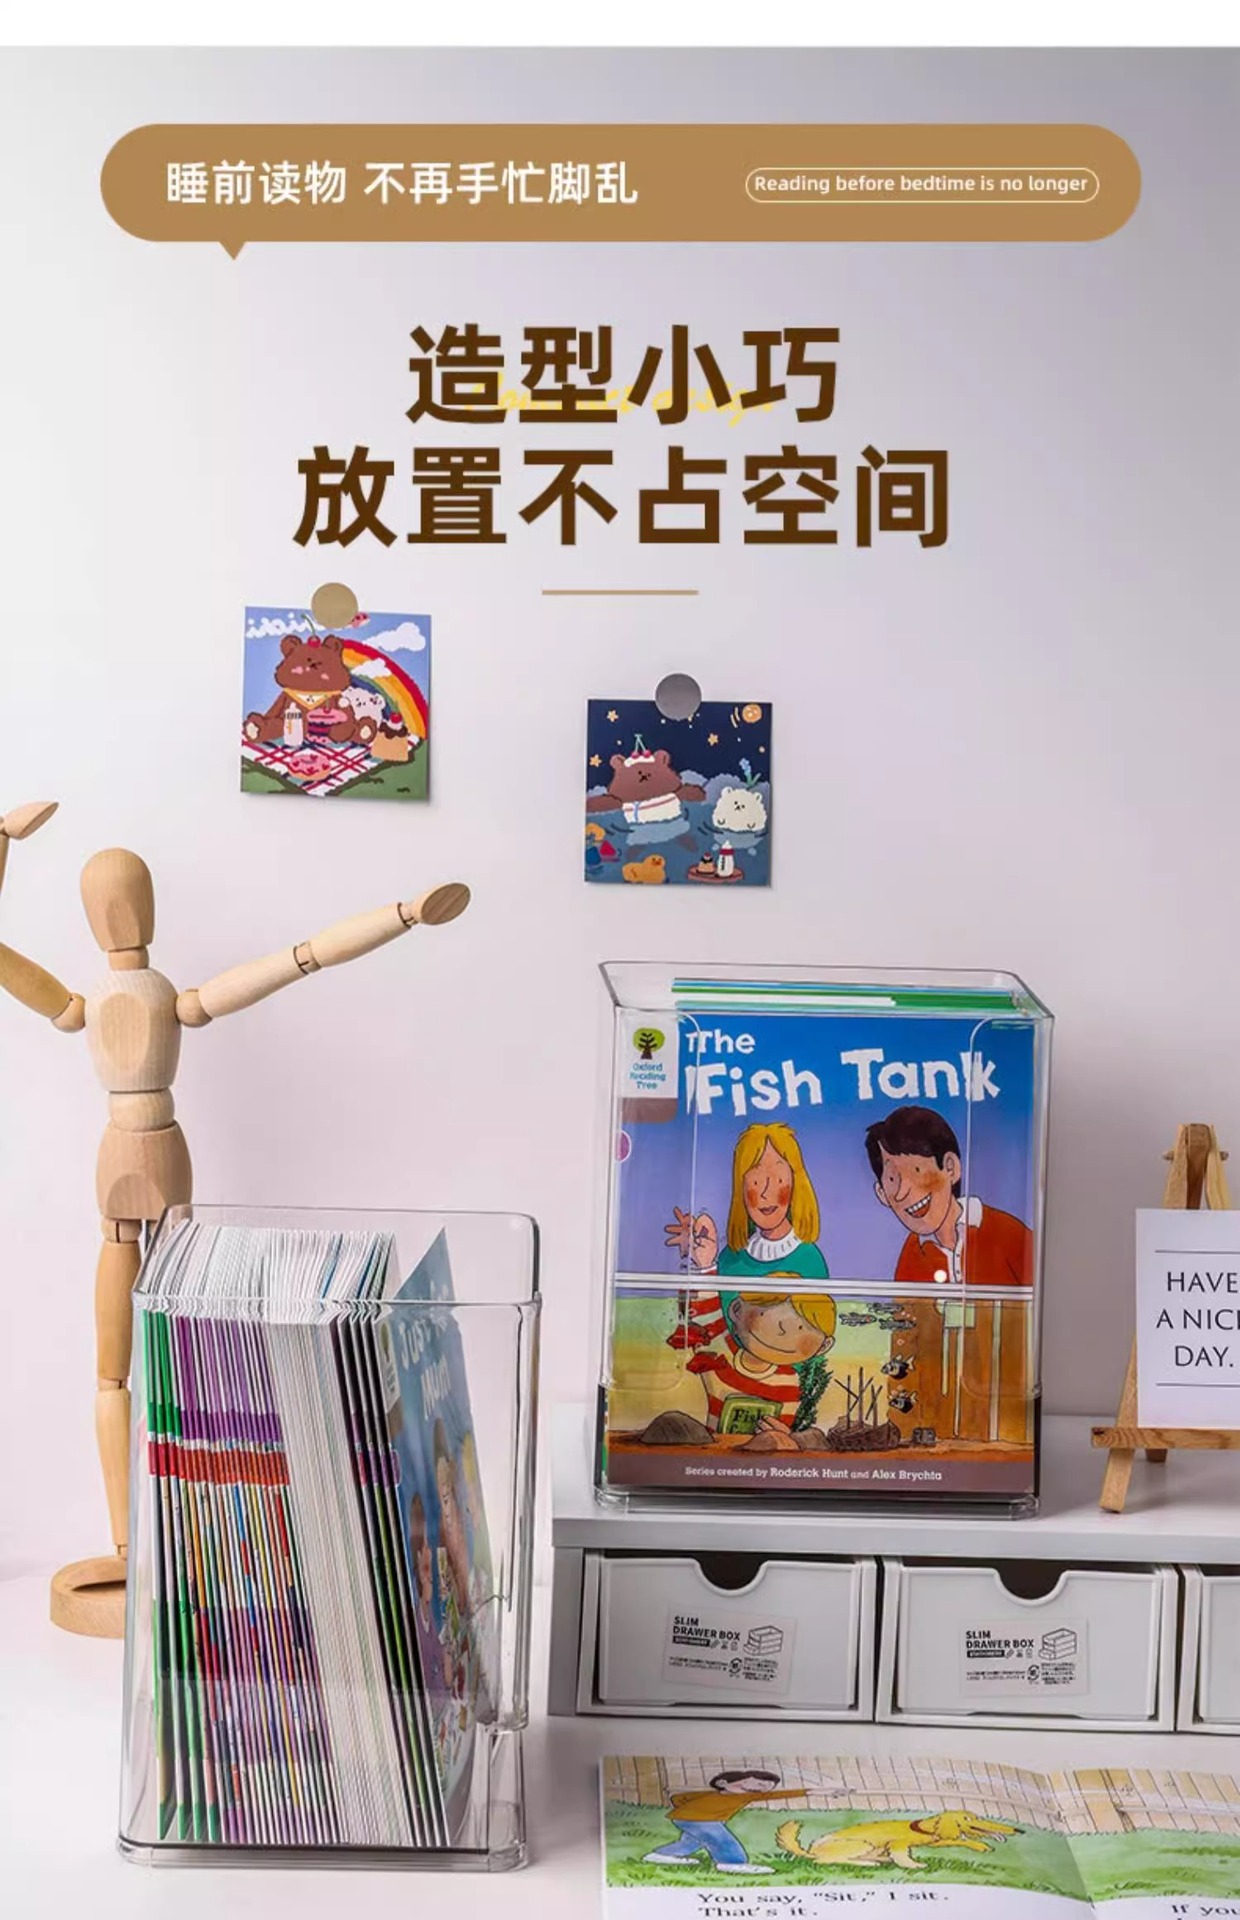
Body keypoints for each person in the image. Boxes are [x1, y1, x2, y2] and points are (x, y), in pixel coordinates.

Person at [864, 1105, 1032, 1287]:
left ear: (951, 1168)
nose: (903, 1192)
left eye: (917, 1171)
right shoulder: (912, 1252)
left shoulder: (1009, 1233)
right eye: (892, 1179)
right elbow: (906, 1304)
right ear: (882, 1194)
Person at [667, 1283, 836, 1447]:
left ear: (823, 1346)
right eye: (764, 1314)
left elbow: (781, 1429)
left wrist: (783, 1436)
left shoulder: (790, 1382)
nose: (781, 1330)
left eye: (801, 1327)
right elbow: (702, 1304)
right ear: (736, 1310)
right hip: (714, 1450)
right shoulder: (720, 1351)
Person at [665, 1121, 828, 1281]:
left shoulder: (809, 1260)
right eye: (756, 1183)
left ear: (795, 1186)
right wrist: (705, 1265)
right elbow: (712, 1299)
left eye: (778, 1181)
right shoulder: (730, 1259)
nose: (765, 1193)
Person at [642, 1767, 808, 1874]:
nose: (760, 1790)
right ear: (722, 1783)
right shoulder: (720, 1795)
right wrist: (692, 1811)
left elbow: (679, 1798)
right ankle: (732, 1863)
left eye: (766, 1788)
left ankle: (661, 1855)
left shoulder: (741, 1797)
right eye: (758, 1784)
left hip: (686, 1818)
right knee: (723, 1840)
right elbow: (679, 1798)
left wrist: (683, 1810)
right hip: (699, 1820)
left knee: (694, 1841)